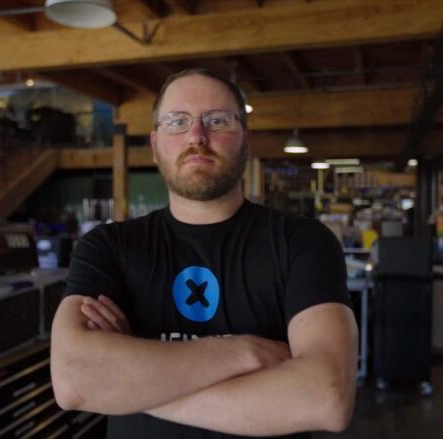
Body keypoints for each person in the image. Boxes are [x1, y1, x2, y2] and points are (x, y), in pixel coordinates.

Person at [51, 68, 359, 439]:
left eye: (217, 120)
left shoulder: (303, 242)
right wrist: (243, 353)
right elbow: (73, 380)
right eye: (177, 121)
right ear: (154, 143)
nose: (197, 136)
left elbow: (325, 398)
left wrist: (127, 385)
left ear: (246, 139)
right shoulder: (107, 246)